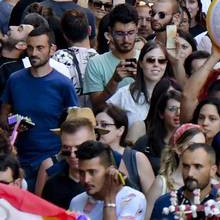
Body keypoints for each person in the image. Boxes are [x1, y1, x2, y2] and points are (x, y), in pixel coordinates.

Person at [0, 20, 78, 182]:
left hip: (51, 161)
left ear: (52, 49)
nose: (34, 53)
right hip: (18, 159)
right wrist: (14, 123)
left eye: (40, 48)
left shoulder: (63, 84)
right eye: (30, 47)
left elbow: (75, 123)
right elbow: (4, 115)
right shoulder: (15, 79)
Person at [69, 140, 147, 220]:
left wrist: (110, 199)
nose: (86, 180)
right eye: (81, 172)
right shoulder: (76, 202)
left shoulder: (133, 199)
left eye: (92, 172)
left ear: (110, 170)